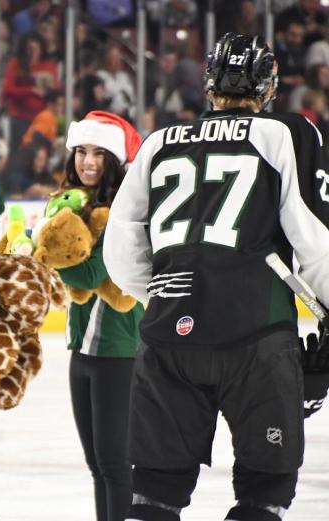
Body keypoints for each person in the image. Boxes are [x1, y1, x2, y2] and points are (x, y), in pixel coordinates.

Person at [104, 33, 329, 521]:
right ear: (268, 87)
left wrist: (163, 296)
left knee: (155, 493)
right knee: (264, 488)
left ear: (210, 85)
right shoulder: (286, 133)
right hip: (256, 337)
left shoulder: (159, 142)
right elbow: (314, 238)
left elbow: (120, 248)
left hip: (168, 338)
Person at [52, 111, 144, 521]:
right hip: (83, 353)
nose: (87, 162)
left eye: (99, 154)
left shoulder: (123, 211)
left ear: (115, 159)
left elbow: (90, 274)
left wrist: (43, 253)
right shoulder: (76, 205)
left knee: (114, 465)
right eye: (81, 152)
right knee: (97, 466)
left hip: (119, 353)